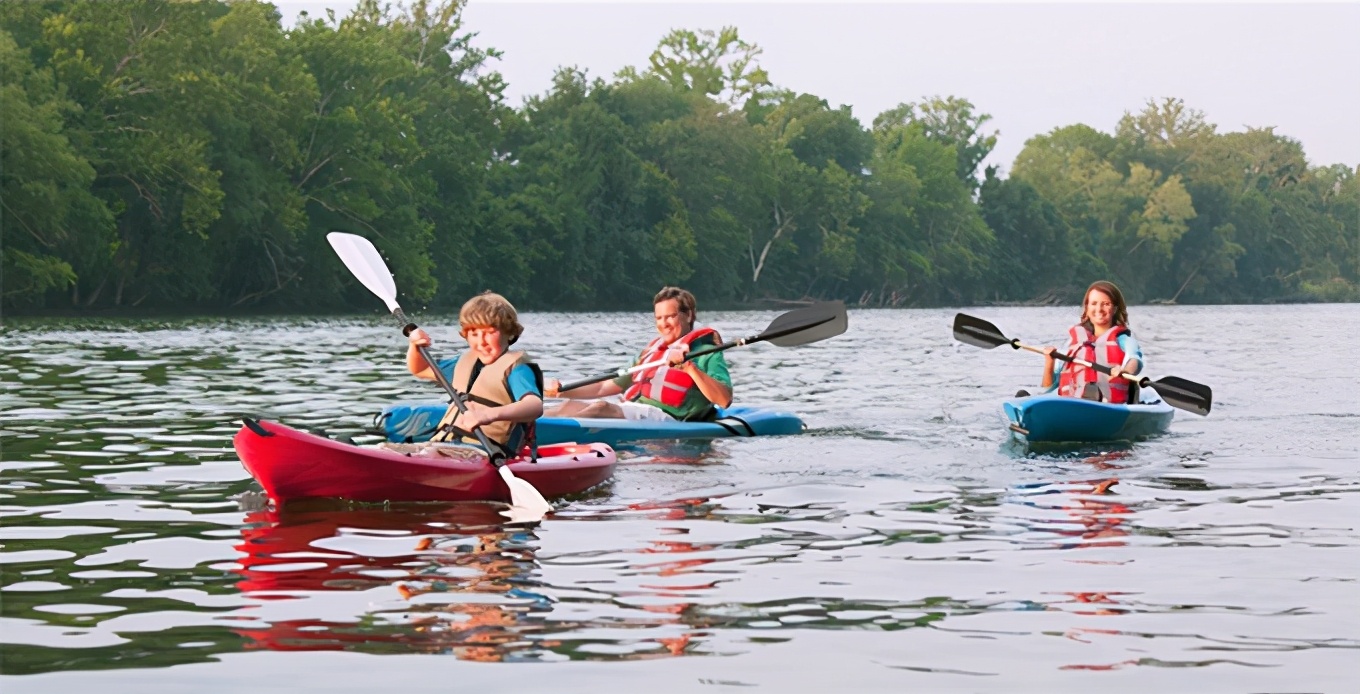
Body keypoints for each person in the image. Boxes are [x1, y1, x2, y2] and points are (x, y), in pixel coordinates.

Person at [544, 287, 733, 422]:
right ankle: (526, 429)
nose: (663, 323)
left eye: (670, 316)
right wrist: (561, 391)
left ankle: (551, 434)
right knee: (567, 405)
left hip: (669, 417)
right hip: (637, 409)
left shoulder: (707, 353)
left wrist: (688, 367)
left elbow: (724, 400)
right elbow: (602, 388)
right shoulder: (650, 353)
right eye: (659, 318)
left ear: (689, 315)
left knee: (601, 407)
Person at [405, 291, 544, 456]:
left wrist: (488, 415)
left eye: (490, 332)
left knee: (428, 455)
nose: (481, 341)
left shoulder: (517, 369)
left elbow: (534, 406)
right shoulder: (463, 363)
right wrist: (414, 347)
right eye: (474, 333)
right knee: (388, 450)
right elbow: (420, 369)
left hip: (489, 452)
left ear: (510, 333)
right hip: (444, 445)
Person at [1039, 280, 1145, 403]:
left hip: (1111, 406)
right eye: (1094, 303)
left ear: (1115, 309)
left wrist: (1125, 371)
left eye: (1106, 304)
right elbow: (1048, 388)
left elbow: (1135, 360)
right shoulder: (1074, 344)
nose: (1099, 309)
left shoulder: (1123, 340)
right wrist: (1049, 362)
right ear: (1087, 308)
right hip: (1073, 404)